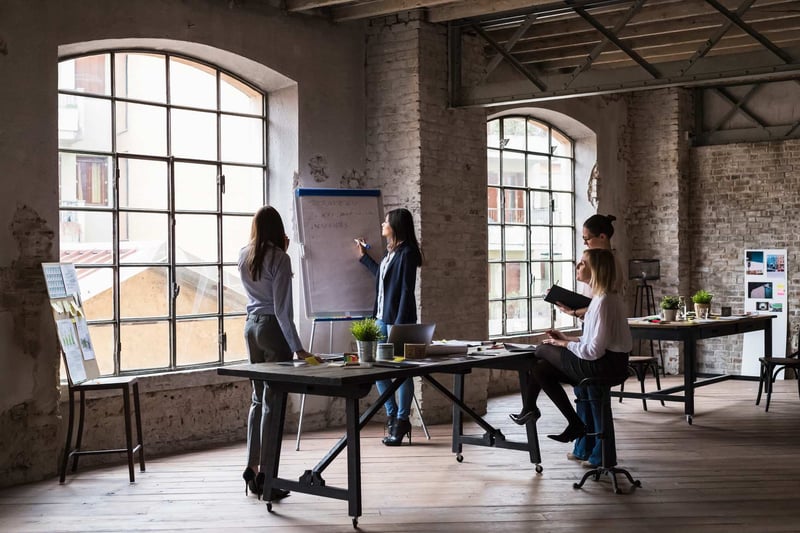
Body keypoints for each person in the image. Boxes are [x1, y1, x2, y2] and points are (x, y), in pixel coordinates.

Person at [510, 248, 631, 445]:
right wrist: (567, 338)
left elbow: (593, 351)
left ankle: (530, 409)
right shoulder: (604, 299)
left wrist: (563, 344)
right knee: (539, 368)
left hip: (603, 366)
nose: (577, 266)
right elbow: (594, 342)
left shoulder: (603, 302)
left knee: (540, 349)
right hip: (609, 363)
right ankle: (572, 422)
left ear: (596, 269)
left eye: (583, 263)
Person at [238, 206, 316, 501]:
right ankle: (267, 478)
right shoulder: (279, 259)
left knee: (257, 400)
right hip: (272, 329)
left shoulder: (242, 254)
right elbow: (283, 310)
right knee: (273, 404)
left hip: (250, 328)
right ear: (278, 229)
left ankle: (251, 466)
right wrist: (298, 347)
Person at [356, 208, 422, 446]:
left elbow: (405, 290)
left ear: (395, 225)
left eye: (386, 221)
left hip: (399, 321)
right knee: (376, 368)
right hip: (380, 319)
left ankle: (402, 420)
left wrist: (400, 325)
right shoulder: (390, 252)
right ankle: (392, 413)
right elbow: (383, 281)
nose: (382, 224)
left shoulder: (408, 252)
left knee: (403, 372)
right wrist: (365, 258)